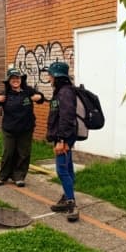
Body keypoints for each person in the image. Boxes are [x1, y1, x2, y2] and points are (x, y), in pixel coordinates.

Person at [0, 67, 45, 186]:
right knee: (8, 153)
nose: (15, 80)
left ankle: (19, 176)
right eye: (12, 78)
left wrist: (39, 97)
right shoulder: (5, 94)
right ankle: (3, 176)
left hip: (26, 128)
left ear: (21, 79)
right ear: (8, 81)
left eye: (17, 78)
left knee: (23, 153)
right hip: (9, 129)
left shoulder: (27, 91)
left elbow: (40, 97)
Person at [44, 61, 79, 222]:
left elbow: (67, 117)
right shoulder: (61, 92)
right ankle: (67, 197)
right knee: (68, 167)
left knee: (61, 170)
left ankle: (71, 204)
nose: (48, 77)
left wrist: (61, 140)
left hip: (64, 138)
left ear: (57, 76)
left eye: (50, 74)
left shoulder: (65, 92)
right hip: (63, 136)